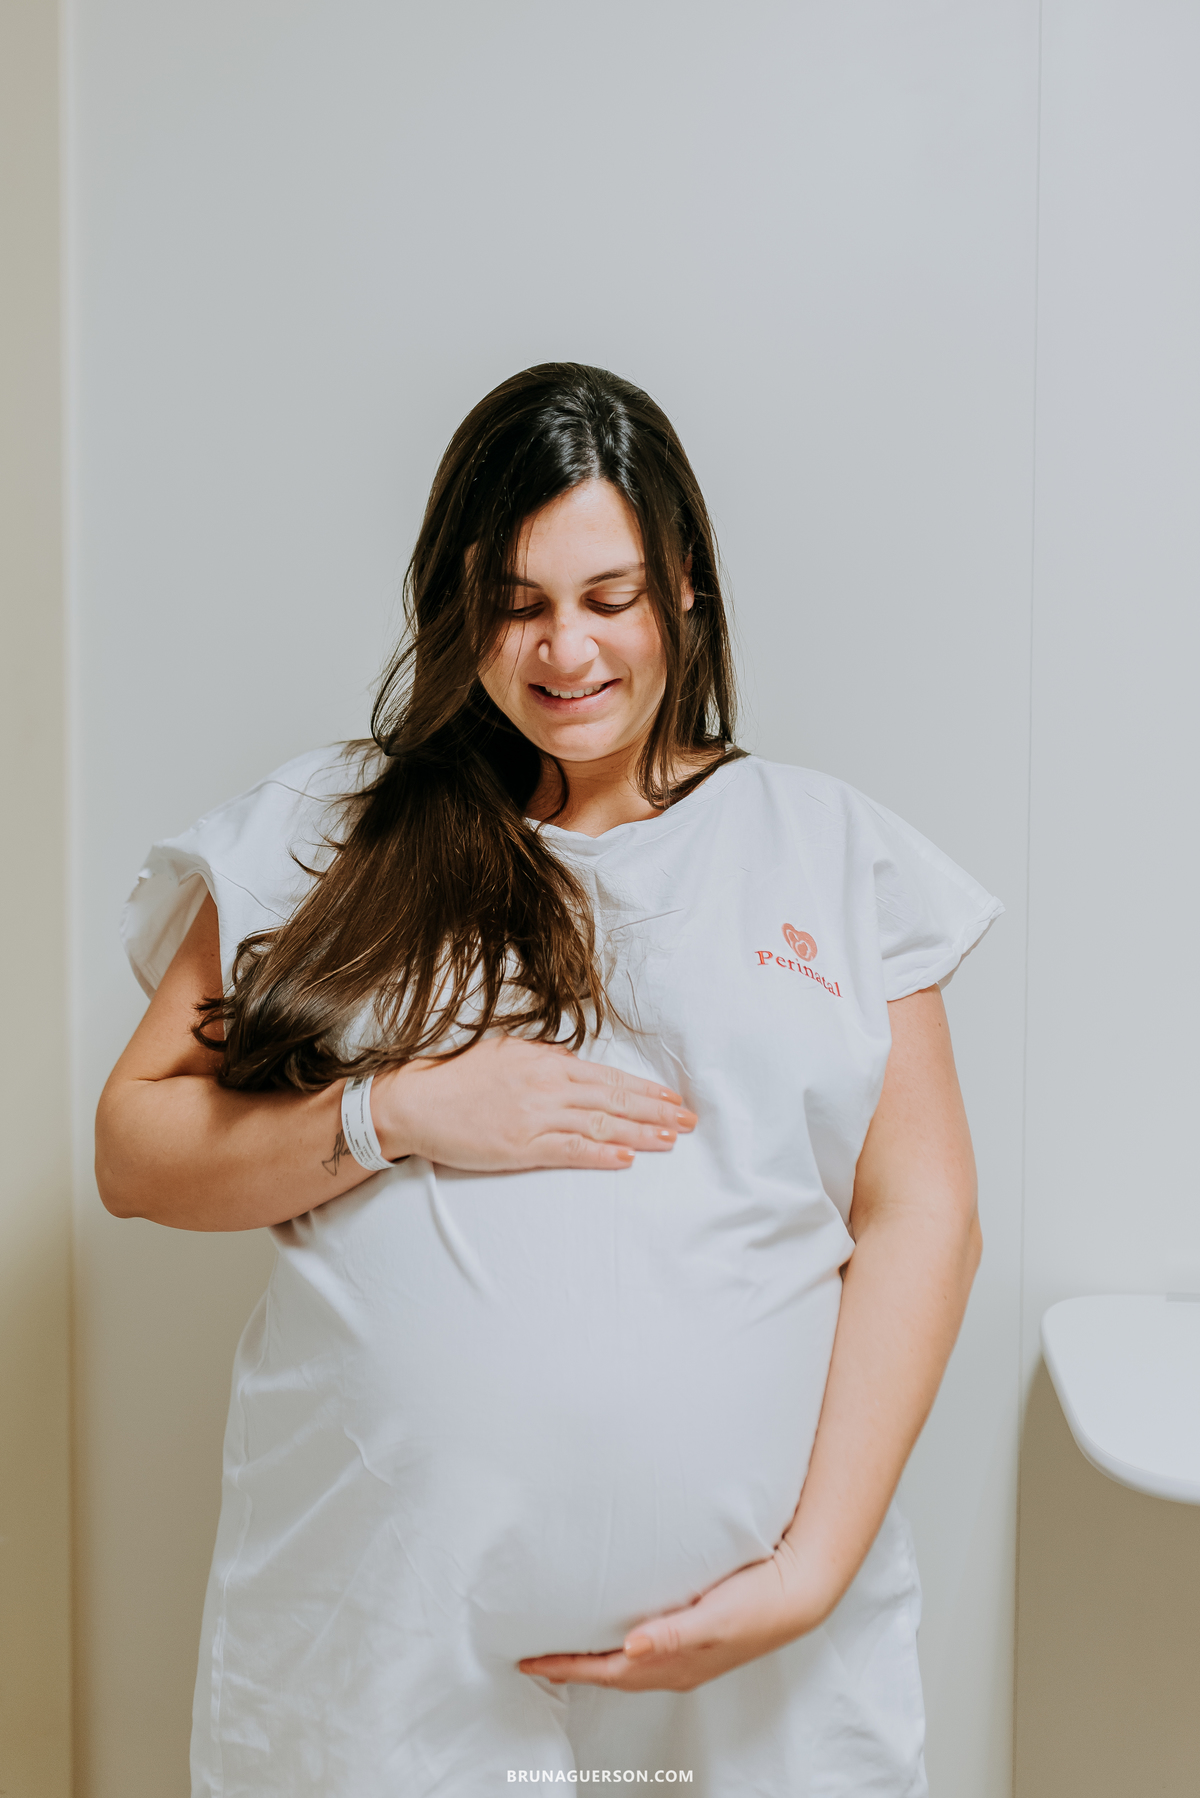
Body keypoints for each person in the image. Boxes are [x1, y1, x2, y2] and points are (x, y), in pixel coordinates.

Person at [96, 362, 999, 1797]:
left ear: (684, 588)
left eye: (608, 595)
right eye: (517, 602)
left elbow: (921, 1213)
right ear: (459, 601)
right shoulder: (330, 830)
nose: (564, 649)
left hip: (754, 1676)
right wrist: (392, 1111)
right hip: (385, 1647)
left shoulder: (834, 854)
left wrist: (812, 1570)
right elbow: (134, 1153)